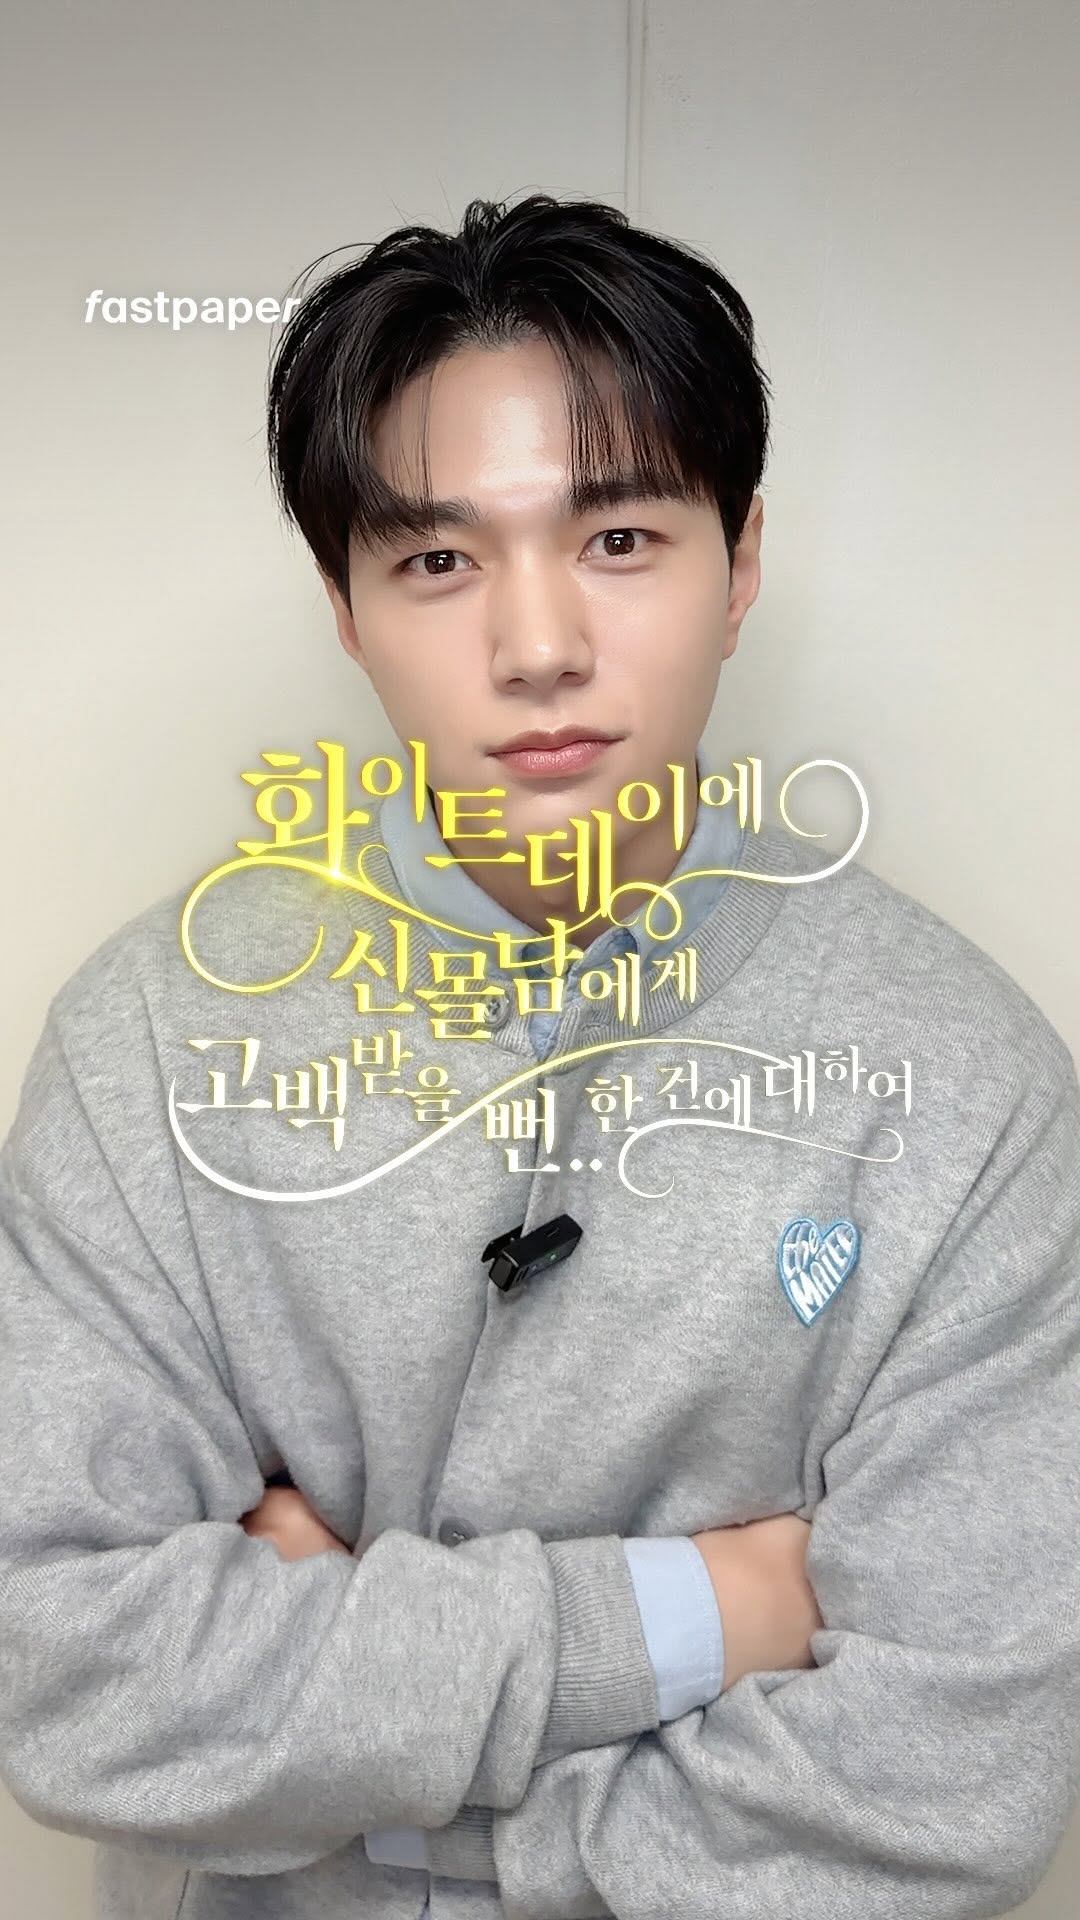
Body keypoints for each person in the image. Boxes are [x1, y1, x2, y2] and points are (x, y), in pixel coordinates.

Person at [1, 193, 1078, 1920]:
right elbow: (66, 1679)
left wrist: (390, 1806)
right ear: (346, 606)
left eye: (621, 538)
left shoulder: (967, 1084)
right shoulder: (151, 1040)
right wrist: (705, 1616)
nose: (538, 646)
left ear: (740, 564)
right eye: (437, 561)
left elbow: (954, 1784)